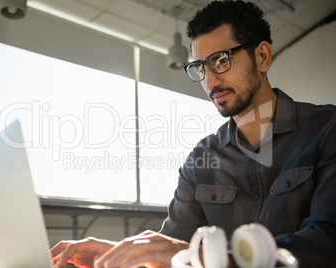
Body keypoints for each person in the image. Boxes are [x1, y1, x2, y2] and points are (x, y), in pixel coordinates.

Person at [51, 0, 336, 267]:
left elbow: (326, 242)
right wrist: (121, 254)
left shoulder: (326, 128)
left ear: (262, 56)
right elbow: (173, 243)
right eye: (200, 67)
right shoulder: (201, 158)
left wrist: (215, 257)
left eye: (221, 60)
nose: (210, 81)